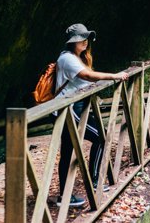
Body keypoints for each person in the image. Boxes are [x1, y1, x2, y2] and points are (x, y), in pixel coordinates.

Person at [55, 23, 129, 208]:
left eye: (86, 38)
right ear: (73, 41)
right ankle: (93, 181)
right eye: (82, 38)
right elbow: (87, 76)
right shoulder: (67, 59)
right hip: (70, 109)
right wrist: (114, 76)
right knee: (100, 138)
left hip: (76, 107)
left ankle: (64, 196)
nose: (86, 41)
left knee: (68, 152)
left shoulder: (76, 57)